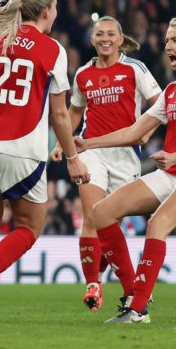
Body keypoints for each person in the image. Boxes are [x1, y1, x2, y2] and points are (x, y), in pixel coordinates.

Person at [74, 16, 176, 324]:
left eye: (174, 40)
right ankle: (133, 292)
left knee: (157, 224)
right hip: (172, 173)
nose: (166, 45)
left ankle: (137, 309)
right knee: (102, 212)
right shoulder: (173, 89)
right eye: (167, 40)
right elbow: (134, 131)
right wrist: (87, 143)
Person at [0, 0, 89, 323]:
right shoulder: (52, 49)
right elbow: (59, 113)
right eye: (55, 9)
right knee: (29, 228)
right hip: (20, 147)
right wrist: (72, 157)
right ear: (46, 12)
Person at [49, 16, 161, 311]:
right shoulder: (83, 74)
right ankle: (93, 284)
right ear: (92, 39)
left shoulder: (135, 69)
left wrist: (147, 131)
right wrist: (63, 143)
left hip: (125, 156)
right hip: (90, 150)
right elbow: (74, 113)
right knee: (91, 213)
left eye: (111, 34)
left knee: (108, 226)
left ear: (120, 40)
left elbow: (160, 103)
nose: (105, 38)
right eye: (100, 34)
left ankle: (99, 276)